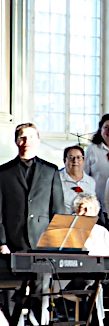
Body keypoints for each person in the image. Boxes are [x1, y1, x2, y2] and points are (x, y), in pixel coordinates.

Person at [0, 124, 66, 323]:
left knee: (41, 295)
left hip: (42, 244)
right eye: (21, 137)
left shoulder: (51, 171)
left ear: (38, 140)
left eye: (30, 137)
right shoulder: (3, 172)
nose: (26, 142)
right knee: (12, 296)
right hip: (13, 243)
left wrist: (54, 244)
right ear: (16, 141)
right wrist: (2, 242)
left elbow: (58, 211)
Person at [71, 193, 109, 326]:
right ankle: (98, 323)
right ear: (76, 211)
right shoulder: (70, 232)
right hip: (80, 276)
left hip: (103, 275)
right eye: (82, 208)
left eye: (90, 209)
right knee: (95, 285)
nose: (86, 212)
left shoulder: (102, 231)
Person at [59, 145, 96, 213]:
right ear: (64, 160)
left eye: (79, 157)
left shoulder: (91, 181)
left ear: (84, 161)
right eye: (71, 158)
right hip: (63, 221)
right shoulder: (57, 179)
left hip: (85, 221)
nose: (75, 161)